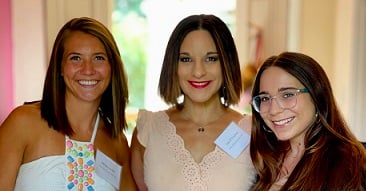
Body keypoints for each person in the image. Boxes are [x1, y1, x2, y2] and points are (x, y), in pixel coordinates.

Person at [0, 17, 137, 191]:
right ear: (60, 68)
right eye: (75, 58)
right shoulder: (23, 123)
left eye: (99, 58)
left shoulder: (117, 143)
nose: (88, 70)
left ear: (113, 67)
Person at [130, 14, 256, 191]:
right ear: (173, 65)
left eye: (211, 58)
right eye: (186, 59)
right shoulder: (148, 131)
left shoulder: (253, 133)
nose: (198, 72)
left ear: (227, 63)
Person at [249, 51, 366, 191]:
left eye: (287, 95)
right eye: (265, 98)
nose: (274, 110)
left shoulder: (349, 163)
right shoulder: (265, 158)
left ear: (317, 96)